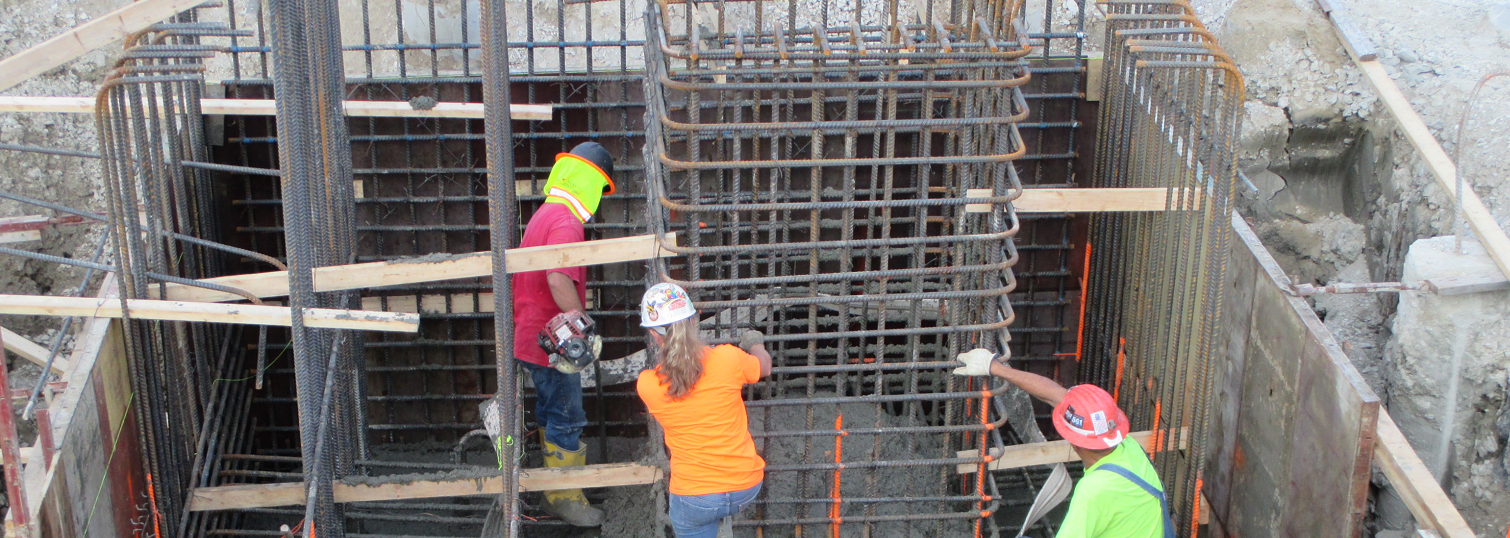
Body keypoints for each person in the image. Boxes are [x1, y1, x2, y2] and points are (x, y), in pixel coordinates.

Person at [953, 349, 1174, 538]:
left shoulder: (1094, 490)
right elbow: (1054, 394)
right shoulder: (1125, 443)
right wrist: (997, 368)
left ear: (1073, 441)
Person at [511, 141, 616, 526]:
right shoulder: (567, 221)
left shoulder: (544, 214)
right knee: (567, 415)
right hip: (553, 343)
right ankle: (562, 495)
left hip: (532, 336)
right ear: (591, 183)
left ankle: (554, 485)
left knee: (551, 412)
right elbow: (557, 278)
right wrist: (578, 327)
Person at [635, 283, 772, 538]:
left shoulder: (648, 385)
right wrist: (755, 344)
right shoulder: (728, 359)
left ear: (654, 335)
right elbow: (763, 368)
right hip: (746, 485)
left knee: (697, 517)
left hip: (695, 496)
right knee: (719, 507)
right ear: (695, 320)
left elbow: (675, 372)